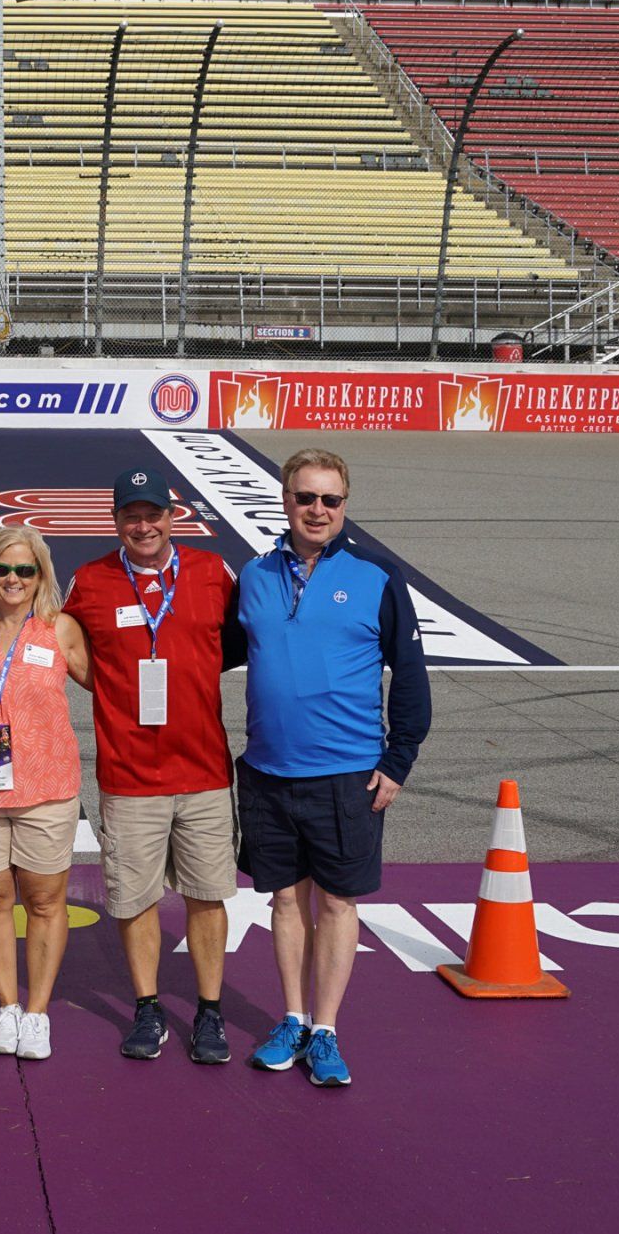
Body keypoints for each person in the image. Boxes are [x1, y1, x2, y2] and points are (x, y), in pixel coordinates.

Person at [236, 448, 431, 1089]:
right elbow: (209, 654)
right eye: (304, 497)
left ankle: (326, 1030)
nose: (316, 510)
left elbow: (411, 680)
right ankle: (291, 1018)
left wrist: (397, 762)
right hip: (268, 771)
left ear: (345, 505)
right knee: (285, 902)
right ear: (285, 500)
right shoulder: (256, 575)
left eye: (330, 499)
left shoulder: (377, 578)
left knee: (338, 905)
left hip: (348, 774)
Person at [59, 466, 244, 1064]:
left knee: (207, 895)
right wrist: (116, 688)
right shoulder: (90, 582)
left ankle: (210, 1012)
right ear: (116, 521)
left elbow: (235, 645)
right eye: (130, 515)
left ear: (173, 516)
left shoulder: (213, 573)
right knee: (135, 900)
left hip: (204, 772)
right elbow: (71, 652)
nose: (143, 525)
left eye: (153, 513)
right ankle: (148, 1007)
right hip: (130, 774)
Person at [0, 526, 90, 1061]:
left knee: (46, 903)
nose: (13, 579)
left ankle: (38, 1012)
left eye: (25, 570)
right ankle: (7, 1006)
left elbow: (110, 685)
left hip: (47, 789)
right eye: (3, 568)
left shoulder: (61, 630)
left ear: (41, 576)